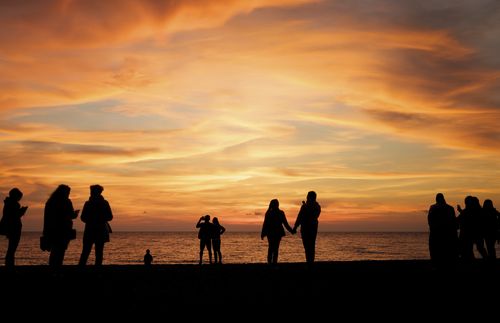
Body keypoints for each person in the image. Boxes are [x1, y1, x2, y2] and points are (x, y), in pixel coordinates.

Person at [43, 184, 79, 267]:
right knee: (61, 250)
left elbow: (46, 218)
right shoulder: (66, 201)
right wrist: (75, 214)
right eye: (68, 192)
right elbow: (71, 215)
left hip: (52, 230)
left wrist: (45, 231)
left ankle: (53, 267)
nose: (69, 194)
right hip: (64, 229)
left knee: (54, 250)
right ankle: (58, 267)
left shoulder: (50, 202)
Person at [78, 184, 113, 266]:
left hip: (93, 230)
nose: (91, 193)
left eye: (92, 191)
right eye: (91, 191)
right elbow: (110, 216)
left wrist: (93, 219)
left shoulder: (89, 203)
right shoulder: (103, 203)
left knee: (89, 252)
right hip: (96, 230)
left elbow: (83, 217)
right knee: (95, 252)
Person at [427, 193, 458, 268]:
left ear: (436, 199)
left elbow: (430, 220)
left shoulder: (433, 207)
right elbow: (453, 221)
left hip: (436, 234)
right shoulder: (450, 208)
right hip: (448, 234)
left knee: (435, 253)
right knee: (447, 253)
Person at [1, 188, 28, 267]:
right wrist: (22, 211)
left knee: (11, 250)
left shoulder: (8, 203)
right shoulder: (13, 204)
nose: (20, 199)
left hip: (11, 228)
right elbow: (14, 216)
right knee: (12, 250)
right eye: (19, 197)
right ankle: (9, 266)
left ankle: (9, 266)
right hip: (14, 229)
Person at [261, 199, 293, 265]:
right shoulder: (279, 213)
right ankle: (273, 263)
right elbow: (285, 224)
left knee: (271, 247)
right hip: (276, 233)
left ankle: (270, 263)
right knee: (275, 248)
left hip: (271, 233)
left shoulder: (269, 213)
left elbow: (265, 224)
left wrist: (263, 233)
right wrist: (291, 231)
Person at [292, 191, 321, 265]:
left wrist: (306, 207)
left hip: (310, 228)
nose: (307, 198)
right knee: (308, 246)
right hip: (306, 228)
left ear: (311, 197)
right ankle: (309, 262)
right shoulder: (306, 206)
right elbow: (299, 217)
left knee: (310, 246)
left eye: (308, 196)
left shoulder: (316, 207)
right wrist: (295, 227)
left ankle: (310, 262)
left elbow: (313, 216)